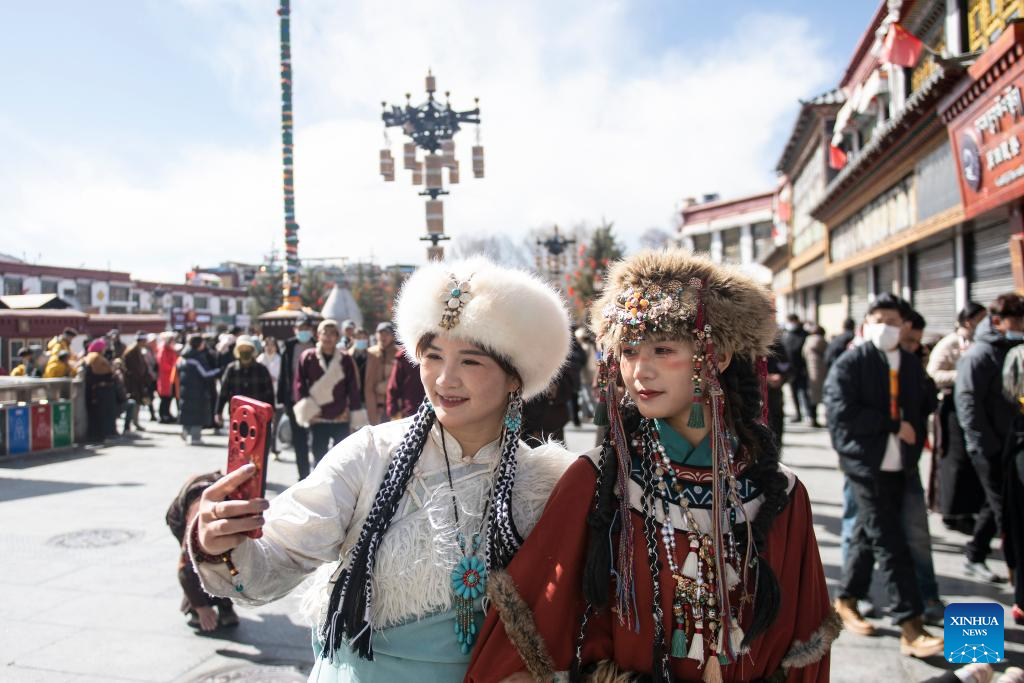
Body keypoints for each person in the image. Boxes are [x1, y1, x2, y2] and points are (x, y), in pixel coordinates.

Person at [190, 257, 574, 680]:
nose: (444, 379)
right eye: (433, 356)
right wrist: (223, 546)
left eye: (470, 361)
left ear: (515, 377)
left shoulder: (543, 483)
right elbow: (278, 555)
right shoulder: (371, 454)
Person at [468, 250, 837, 682]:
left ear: (717, 356)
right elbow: (535, 624)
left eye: (663, 350)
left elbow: (803, 642)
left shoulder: (779, 492)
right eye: (627, 351)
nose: (639, 371)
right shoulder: (599, 480)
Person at [823, 293, 943, 657]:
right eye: (879, 320)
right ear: (866, 323)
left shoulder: (909, 363)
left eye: (893, 322)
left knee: (867, 533)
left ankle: (846, 599)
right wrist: (892, 424)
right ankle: (910, 625)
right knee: (890, 541)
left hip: (901, 464)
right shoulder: (851, 362)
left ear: (904, 326)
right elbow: (840, 413)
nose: (886, 328)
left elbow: (925, 405)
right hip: (864, 464)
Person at [956, 292, 1024, 583]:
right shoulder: (979, 355)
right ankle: (1016, 575)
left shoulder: (1013, 348)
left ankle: (975, 554)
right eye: (1017, 321)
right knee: (1005, 513)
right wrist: (985, 446)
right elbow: (967, 402)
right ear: (997, 321)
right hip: (989, 448)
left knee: (996, 502)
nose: (1021, 326)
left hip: (1012, 444)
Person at [928, 303, 987, 534]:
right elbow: (933, 374)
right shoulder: (951, 343)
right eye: (981, 318)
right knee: (955, 461)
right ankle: (952, 512)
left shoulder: (979, 342)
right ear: (968, 321)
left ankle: (970, 510)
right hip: (951, 409)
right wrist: (962, 375)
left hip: (973, 406)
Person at [165, 471, 238, 632]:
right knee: (196, 567)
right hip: (184, 515)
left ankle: (225, 606)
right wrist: (200, 607)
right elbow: (184, 570)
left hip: (216, 502)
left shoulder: (234, 526)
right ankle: (195, 606)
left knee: (228, 566)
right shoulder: (191, 535)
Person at [293, 319, 362, 467]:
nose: (328, 337)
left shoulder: (345, 359)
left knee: (341, 459)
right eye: (325, 333)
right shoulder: (308, 357)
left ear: (337, 337)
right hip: (318, 415)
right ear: (318, 335)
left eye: (332, 334)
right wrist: (308, 410)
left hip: (340, 415)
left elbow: (352, 387)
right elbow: (300, 384)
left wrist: (354, 413)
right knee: (319, 458)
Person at [280, 316, 317, 479]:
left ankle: (318, 474)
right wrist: (282, 399)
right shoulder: (289, 346)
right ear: (295, 330)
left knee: (317, 440)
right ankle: (303, 475)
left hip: (316, 400)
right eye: (300, 328)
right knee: (299, 439)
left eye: (306, 328)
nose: (303, 331)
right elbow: (283, 374)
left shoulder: (318, 344)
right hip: (294, 399)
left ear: (311, 330)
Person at [217, 335, 276, 419]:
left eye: (247, 348)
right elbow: (223, 392)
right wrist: (218, 412)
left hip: (258, 415)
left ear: (252, 350)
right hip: (236, 414)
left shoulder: (262, 369)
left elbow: (269, 393)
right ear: (238, 351)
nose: (245, 351)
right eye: (242, 348)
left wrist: (272, 412)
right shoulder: (231, 369)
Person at [177, 335, 221, 445]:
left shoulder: (183, 356)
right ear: (199, 344)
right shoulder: (197, 357)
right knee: (198, 414)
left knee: (188, 412)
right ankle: (195, 438)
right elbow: (205, 373)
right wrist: (219, 371)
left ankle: (185, 431)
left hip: (185, 390)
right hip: (198, 391)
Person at [83, 339, 117, 443]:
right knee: (102, 414)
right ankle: (102, 436)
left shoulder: (90, 357)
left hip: (96, 390)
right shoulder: (96, 358)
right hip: (101, 390)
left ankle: (99, 435)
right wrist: (113, 369)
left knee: (97, 414)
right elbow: (104, 372)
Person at [364, 322, 398, 425]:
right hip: (370, 404)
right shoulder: (370, 353)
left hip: (393, 404)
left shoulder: (398, 354)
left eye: (386, 334)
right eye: (380, 333)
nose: (383, 336)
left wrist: (387, 385)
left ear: (393, 336)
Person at [782, 313, 809, 423]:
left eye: (791, 321)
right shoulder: (785, 334)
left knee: (804, 393)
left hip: (802, 368)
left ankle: (809, 415)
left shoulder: (804, 334)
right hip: (790, 369)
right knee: (793, 393)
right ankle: (798, 414)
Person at [386, 346, 426, 419]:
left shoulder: (437, 354)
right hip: (411, 412)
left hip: (435, 410)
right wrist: (393, 410)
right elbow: (393, 386)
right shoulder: (405, 356)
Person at [121, 332, 150, 431]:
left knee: (137, 402)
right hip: (132, 382)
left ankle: (135, 422)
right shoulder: (132, 351)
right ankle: (129, 424)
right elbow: (132, 369)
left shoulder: (138, 350)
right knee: (133, 402)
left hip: (138, 382)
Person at [803, 324, 827, 428]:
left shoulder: (807, 342)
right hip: (823, 372)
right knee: (825, 396)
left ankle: (812, 418)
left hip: (810, 372)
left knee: (812, 397)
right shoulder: (823, 342)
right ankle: (827, 419)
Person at [157, 332, 179, 423]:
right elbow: (163, 365)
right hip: (165, 378)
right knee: (165, 398)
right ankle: (163, 415)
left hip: (171, 378)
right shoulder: (163, 350)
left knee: (169, 398)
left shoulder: (171, 350)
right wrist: (174, 368)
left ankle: (167, 414)